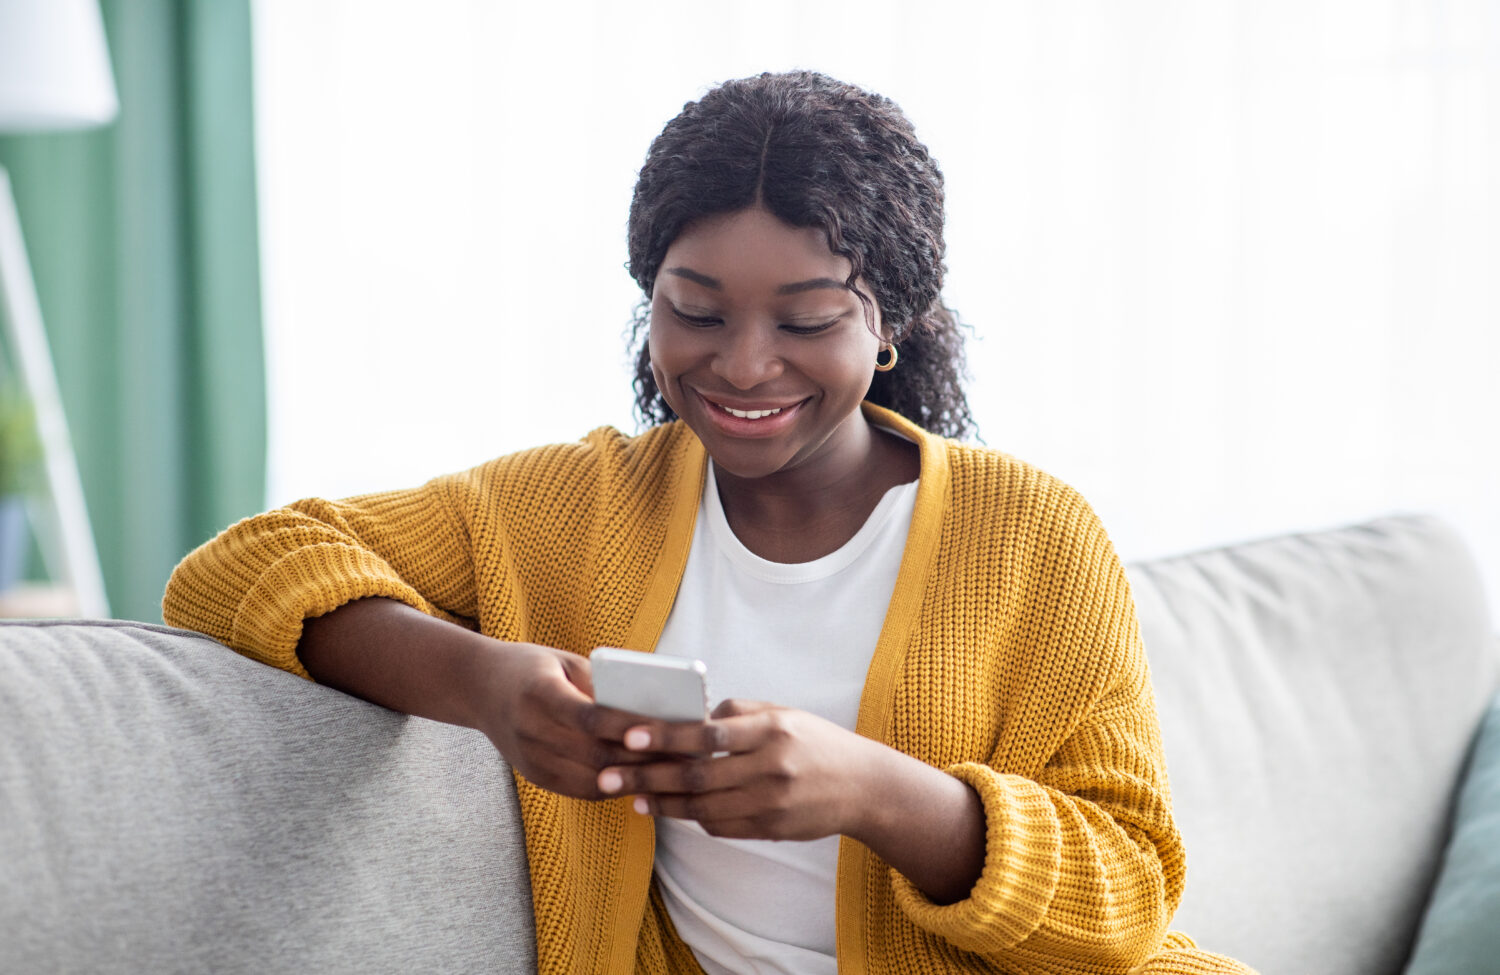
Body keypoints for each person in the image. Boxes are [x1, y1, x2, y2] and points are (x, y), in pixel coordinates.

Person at [164, 70, 1249, 975]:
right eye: (695, 310)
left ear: (891, 329)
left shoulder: (1032, 535)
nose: (741, 364)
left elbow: (1127, 892)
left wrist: (873, 791)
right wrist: (489, 686)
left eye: (807, 319)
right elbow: (241, 565)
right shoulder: (572, 506)